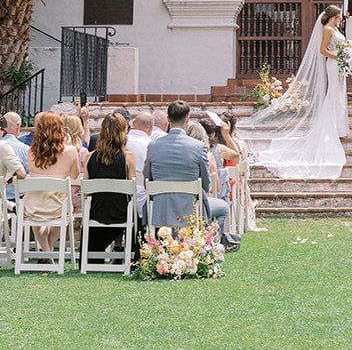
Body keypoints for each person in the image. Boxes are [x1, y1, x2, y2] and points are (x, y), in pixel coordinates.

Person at [236, 5, 349, 179]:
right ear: (334, 16)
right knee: (333, 94)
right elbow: (323, 50)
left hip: (339, 66)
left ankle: (338, 126)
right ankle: (331, 127)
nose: (341, 17)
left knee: (339, 95)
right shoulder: (327, 29)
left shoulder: (335, 28)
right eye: (339, 15)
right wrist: (340, 57)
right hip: (333, 65)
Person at [146, 100, 239, 250]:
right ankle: (207, 247)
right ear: (187, 119)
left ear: (168, 119)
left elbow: (147, 179)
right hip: (190, 208)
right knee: (222, 207)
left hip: (160, 208)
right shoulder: (198, 147)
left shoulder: (153, 145)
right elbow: (206, 184)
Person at [22, 111, 78, 251]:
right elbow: (75, 176)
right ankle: (47, 254)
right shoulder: (70, 151)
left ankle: (45, 252)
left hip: (33, 207)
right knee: (63, 217)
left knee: (36, 220)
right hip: (58, 207)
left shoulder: (31, 152)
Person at [84, 112, 136, 258]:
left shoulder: (89, 157)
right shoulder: (128, 157)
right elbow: (132, 190)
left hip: (96, 212)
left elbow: (86, 190)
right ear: (123, 132)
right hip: (121, 213)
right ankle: (125, 252)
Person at [127, 110, 154, 217]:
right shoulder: (151, 145)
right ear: (151, 128)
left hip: (122, 196)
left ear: (133, 124)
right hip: (143, 197)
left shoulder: (122, 141)